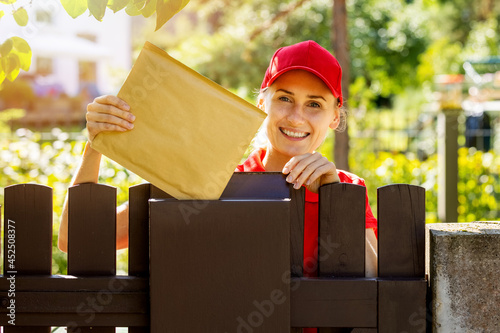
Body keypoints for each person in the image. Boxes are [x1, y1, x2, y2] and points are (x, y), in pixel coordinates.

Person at [58, 40, 378, 331]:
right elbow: (76, 240)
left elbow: (377, 285)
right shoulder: (212, 177)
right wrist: (97, 144)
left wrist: (334, 197)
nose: (296, 116)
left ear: (335, 116)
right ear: (263, 103)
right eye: (284, 98)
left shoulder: (347, 188)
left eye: (314, 104)